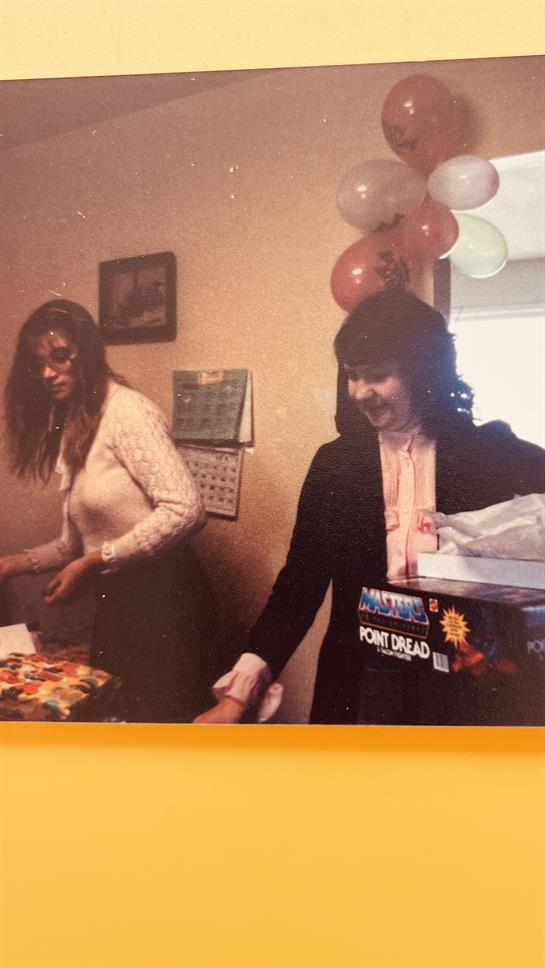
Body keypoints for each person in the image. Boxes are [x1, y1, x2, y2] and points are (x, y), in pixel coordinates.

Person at [195, 288, 545, 725]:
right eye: (352, 375)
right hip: (360, 679)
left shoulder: (489, 452)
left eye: (377, 375)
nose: (359, 392)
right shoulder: (336, 464)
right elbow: (299, 586)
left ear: (423, 371)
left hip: (464, 681)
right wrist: (238, 695)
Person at [0, 299, 206, 721]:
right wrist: (9, 565)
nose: (47, 374)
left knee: (155, 727)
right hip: (121, 600)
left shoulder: (128, 410)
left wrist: (92, 562)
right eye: (37, 365)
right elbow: (74, 544)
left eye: (59, 357)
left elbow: (186, 509)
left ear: (87, 352)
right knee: (115, 720)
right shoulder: (76, 421)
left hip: (166, 600)